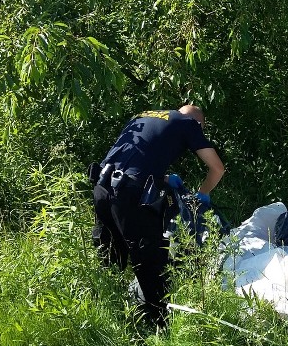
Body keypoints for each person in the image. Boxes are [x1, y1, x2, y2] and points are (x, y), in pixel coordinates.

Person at [90, 104, 224, 326]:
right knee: (150, 260)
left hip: (102, 187)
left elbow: (137, 159)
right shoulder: (188, 123)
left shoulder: (143, 115)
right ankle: (158, 328)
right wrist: (203, 194)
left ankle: (108, 317)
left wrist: (163, 179)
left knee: (111, 256)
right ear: (198, 123)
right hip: (129, 194)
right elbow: (217, 168)